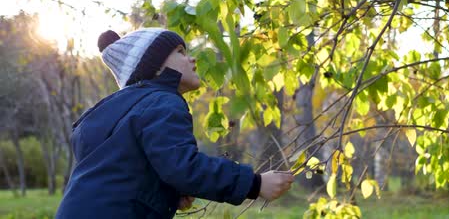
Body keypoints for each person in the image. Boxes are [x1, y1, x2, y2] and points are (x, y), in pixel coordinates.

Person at [56, 28, 294, 218]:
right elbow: (184, 168)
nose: (191, 59)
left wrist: (165, 192)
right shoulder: (162, 102)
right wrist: (255, 183)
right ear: (156, 65)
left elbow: (121, 174)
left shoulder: (119, 108)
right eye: (180, 51)